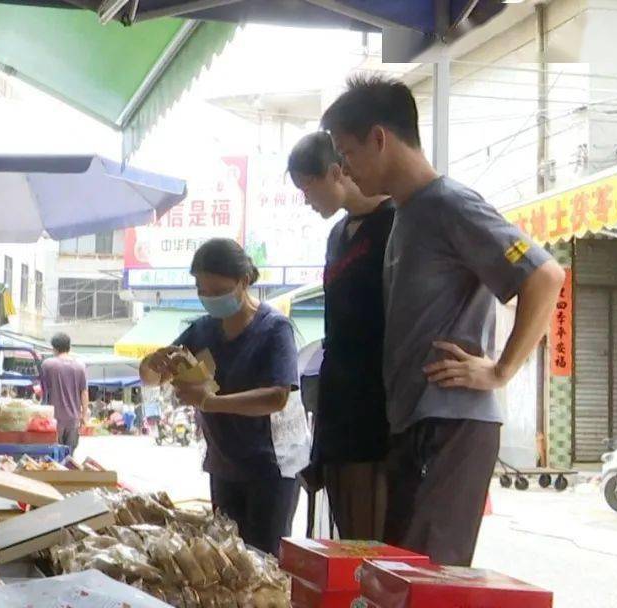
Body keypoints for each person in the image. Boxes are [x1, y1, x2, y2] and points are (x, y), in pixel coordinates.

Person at [321, 75, 566, 566]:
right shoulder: (404, 215)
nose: (345, 169)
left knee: (428, 578)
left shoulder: (450, 204)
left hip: (451, 423)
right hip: (415, 423)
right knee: (403, 574)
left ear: (379, 138)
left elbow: (545, 274)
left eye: (347, 153)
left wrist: (500, 371)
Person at [140, 238, 300, 556]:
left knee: (263, 563)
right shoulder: (202, 331)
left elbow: (277, 397)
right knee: (228, 562)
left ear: (243, 281)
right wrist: (151, 363)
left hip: (270, 469)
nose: (209, 299)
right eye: (203, 291)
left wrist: (210, 403)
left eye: (218, 290)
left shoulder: (275, 329)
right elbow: (154, 378)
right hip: (224, 464)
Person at [288, 131, 395, 541]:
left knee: (375, 531)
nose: (306, 199)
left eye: (307, 187)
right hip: (339, 401)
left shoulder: (396, 223)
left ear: (336, 172)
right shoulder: (338, 234)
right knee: (344, 530)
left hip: (378, 401)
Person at [40, 332, 88, 454]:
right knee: (69, 456)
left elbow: (42, 390)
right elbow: (84, 392)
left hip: (53, 419)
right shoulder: (80, 366)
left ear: (54, 348)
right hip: (73, 419)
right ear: (69, 347)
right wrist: (84, 415)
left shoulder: (48, 364)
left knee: (53, 456)